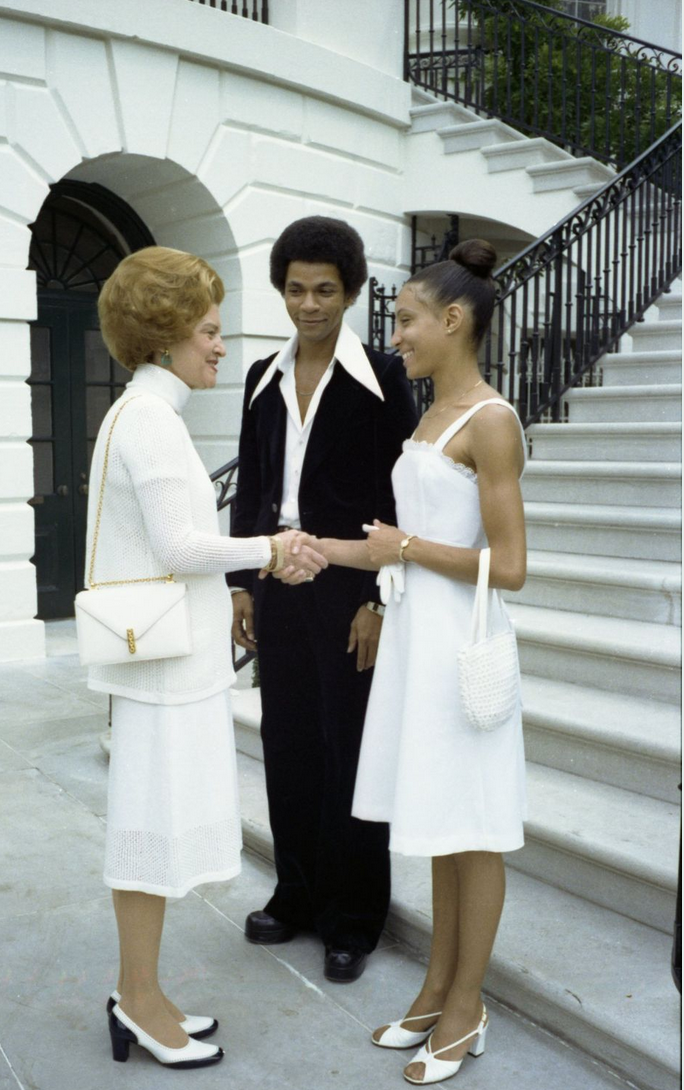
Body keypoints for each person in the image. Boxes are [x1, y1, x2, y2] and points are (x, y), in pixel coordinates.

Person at [88, 246, 327, 1071]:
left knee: (152, 835)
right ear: (165, 334)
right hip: (162, 676)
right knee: (144, 837)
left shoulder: (150, 410)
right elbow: (180, 545)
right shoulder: (152, 419)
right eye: (209, 330)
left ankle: (143, 994)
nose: (220, 345)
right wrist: (272, 546)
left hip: (167, 670)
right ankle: (137, 999)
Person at [317, 239, 527, 1084]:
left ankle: (469, 1008)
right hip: (416, 641)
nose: (394, 335)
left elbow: (509, 566)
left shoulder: (493, 422)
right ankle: (439, 986)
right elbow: (391, 548)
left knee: (474, 833)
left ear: (452, 320)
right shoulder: (429, 415)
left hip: (463, 647)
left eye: (404, 321)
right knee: (442, 830)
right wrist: (309, 550)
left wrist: (407, 545)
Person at [227, 216, 418, 982]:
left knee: (350, 752)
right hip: (277, 584)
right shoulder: (260, 378)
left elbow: (400, 499)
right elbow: (250, 484)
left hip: (348, 591)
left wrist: (379, 599)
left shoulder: (383, 380)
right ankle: (296, 896)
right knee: (290, 745)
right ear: (282, 291)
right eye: (297, 290)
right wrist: (242, 579)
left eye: (326, 291)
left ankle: (353, 918)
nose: (310, 305)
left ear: (350, 292)